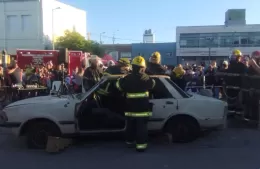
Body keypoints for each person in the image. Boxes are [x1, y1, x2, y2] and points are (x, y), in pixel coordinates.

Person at [116, 56, 155, 152]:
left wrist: (121, 78)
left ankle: (130, 142)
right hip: (143, 108)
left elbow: (119, 87)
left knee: (130, 126)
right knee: (141, 128)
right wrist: (148, 75)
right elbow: (153, 84)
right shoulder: (146, 78)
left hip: (130, 108)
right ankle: (141, 147)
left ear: (132, 67)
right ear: (143, 67)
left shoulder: (127, 78)